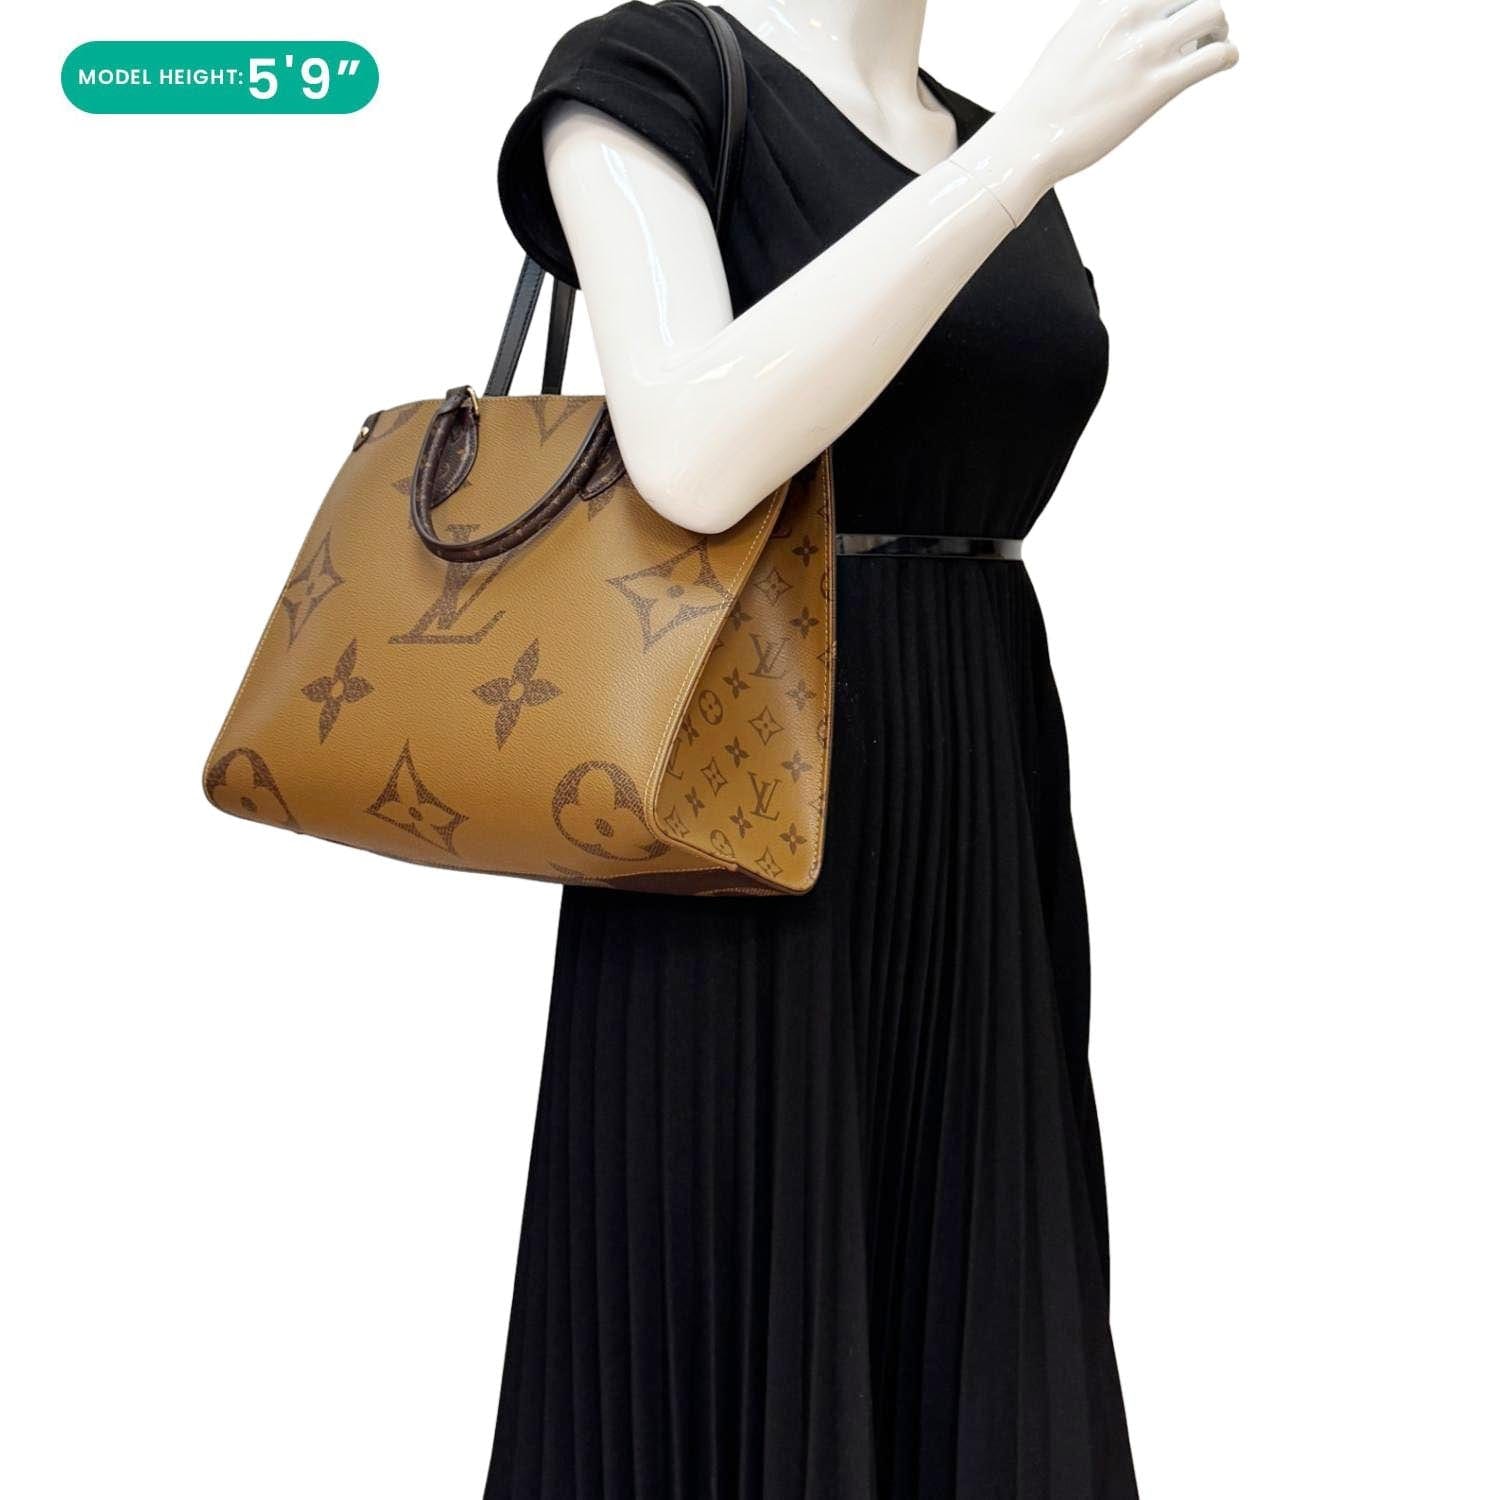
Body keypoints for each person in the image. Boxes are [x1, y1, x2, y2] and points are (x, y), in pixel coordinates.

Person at [484, 2, 1238, 1495]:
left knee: (980, 1302)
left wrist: (1011, 151)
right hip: (733, 788)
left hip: (976, 774)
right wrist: (1025, 154)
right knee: (730, 1295)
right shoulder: (650, 75)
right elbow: (691, 458)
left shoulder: (987, 129)